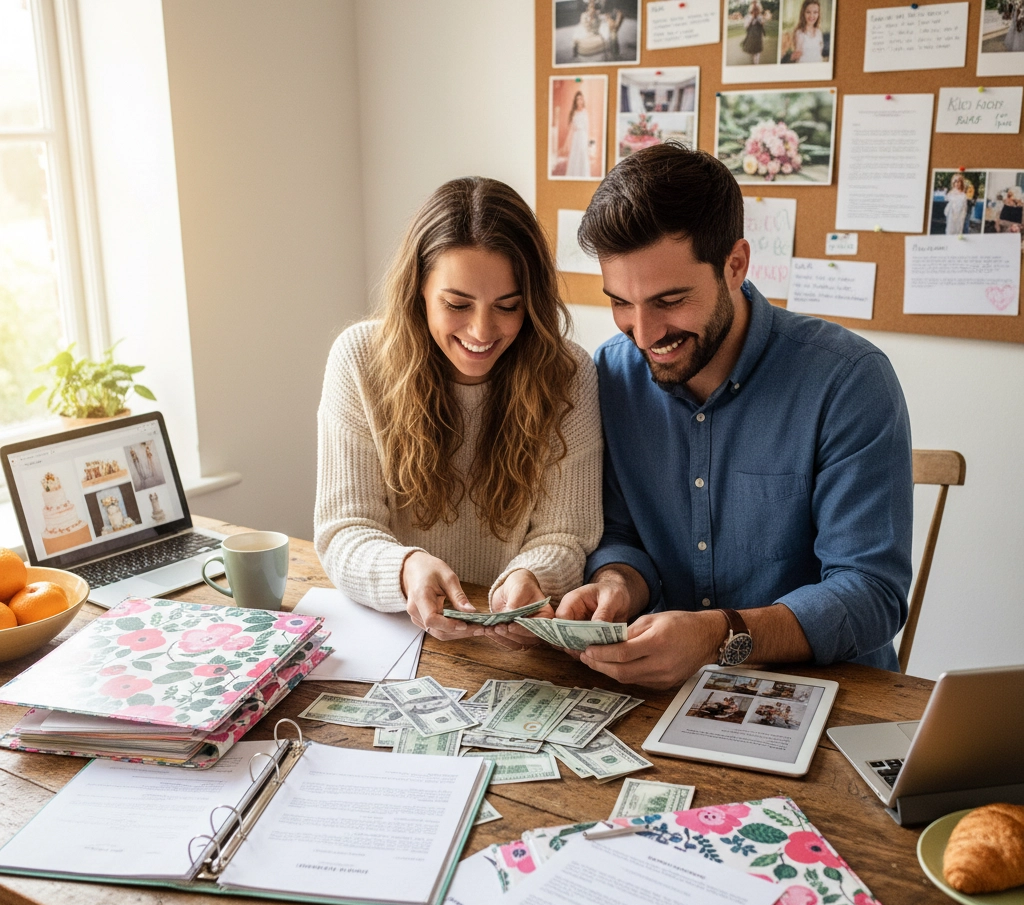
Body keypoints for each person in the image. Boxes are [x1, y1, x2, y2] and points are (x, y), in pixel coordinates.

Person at [556, 143, 913, 689]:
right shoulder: (611, 374)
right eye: (621, 302)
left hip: (832, 693)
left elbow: (871, 593)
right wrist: (617, 582)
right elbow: (621, 532)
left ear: (735, 265)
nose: (645, 335)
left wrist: (719, 637)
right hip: (664, 689)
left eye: (670, 300)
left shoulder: (849, 381)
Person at [315, 177, 602, 650]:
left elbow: (567, 534)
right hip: (398, 636)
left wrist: (531, 575)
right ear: (419, 289)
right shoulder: (359, 360)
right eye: (457, 304)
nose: (482, 330)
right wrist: (405, 568)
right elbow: (344, 529)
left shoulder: (568, 374)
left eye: (508, 306)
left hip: (514, 646)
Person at [564, 92, 591, 178]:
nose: (579, 101)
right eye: (578, 99)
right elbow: (571, 128)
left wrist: (588, 143)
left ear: (583, 100)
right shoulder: (574, 113)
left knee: (582, 154)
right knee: (574, 155)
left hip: (582, 136)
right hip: (575, 137)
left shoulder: (585, 112)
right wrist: (567, 143)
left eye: (581, 99)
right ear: (575, 101)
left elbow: (587, 128)